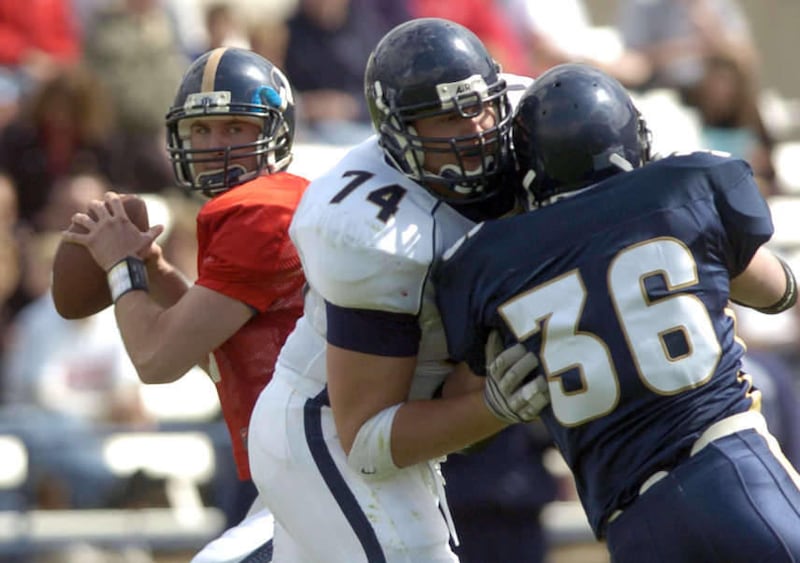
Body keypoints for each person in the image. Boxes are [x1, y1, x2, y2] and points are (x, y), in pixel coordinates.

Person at [434, 63, 800, 562]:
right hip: (734, 472)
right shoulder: (687, 188)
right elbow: (779, 291)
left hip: (633, 524)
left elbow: (463, 414)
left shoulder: (488, 263)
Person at [246, 17, 545, 562]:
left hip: (403, 433)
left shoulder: (536, 123)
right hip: (327, 436)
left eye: (477, 105)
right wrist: (493, 406)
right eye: (444, 117)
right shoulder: (373, 230)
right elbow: (365, 439)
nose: (473, 129)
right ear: (397, 130)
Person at [60, 46, 307, 562]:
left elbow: (156, 359)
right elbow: (209, 341)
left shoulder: (262, 212)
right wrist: (153, 269)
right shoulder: (266, 208)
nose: (214, 144)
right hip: (314, 473)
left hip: (328, 477)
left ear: (273, 132)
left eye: (235, 127)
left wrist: (119, 267)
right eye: (201, 129)